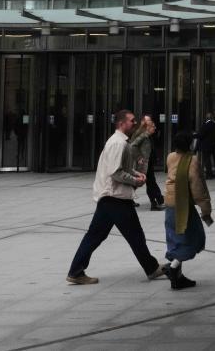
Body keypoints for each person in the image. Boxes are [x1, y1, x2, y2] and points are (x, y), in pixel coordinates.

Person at [66, 110, 167, 285]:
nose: (135, 123)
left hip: (111, 197)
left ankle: (75, 271)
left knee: (96, 236)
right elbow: (116, 173)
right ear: (121, 123)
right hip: (115, 197)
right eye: (132, 121)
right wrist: (136, 180)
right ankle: (151, 268)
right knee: (135, 235)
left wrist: (136, 174)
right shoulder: (118, 144)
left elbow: (122, 168)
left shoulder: (120, 142)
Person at [164, 131, 214, 290]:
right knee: (193, 238)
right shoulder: (192, 161)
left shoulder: (170, 157)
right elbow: (198, 189)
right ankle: (172, 267)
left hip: (170, 205)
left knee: (176, 239)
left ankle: (177, 278)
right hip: (183, 206)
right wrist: (206, 210)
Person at [129, 114, 165, 211]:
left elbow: (150, 149)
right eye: (152, 126)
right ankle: (158, 201)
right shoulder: (142, 135)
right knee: (147, 183)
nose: (155, 127)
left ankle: (157, 201)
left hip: (148, 163)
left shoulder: (149, 136)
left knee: (149, 183)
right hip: (143, 164)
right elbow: (132, 146)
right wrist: (138, 157)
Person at [195, 113, 215, 179]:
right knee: (211, 160)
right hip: (213, 145)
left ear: (207, 118)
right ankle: (212, 173)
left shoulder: (205, 125)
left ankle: (209, 174)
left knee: (207, 160)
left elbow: (200, 135)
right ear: (212, 118)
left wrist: (193, 135)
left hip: (205, 146)